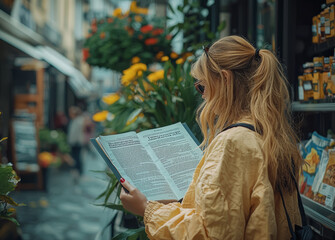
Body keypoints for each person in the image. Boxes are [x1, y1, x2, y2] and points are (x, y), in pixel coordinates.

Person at [119, 35, 303, 239]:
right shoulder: (268, 133)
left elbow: (210, 234)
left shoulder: (233, 142)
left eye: (201, 86)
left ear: (225, 79)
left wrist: (146, 209)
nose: (202, 96)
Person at [67, 106, 85, 177]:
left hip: (76, 142)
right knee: (76, 156)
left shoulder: (78, 121)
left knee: (77, 156)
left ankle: (78, 170)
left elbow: (75, 133)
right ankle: (77, 170)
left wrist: (73, 141)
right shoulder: (75, 120)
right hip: (75, 142)